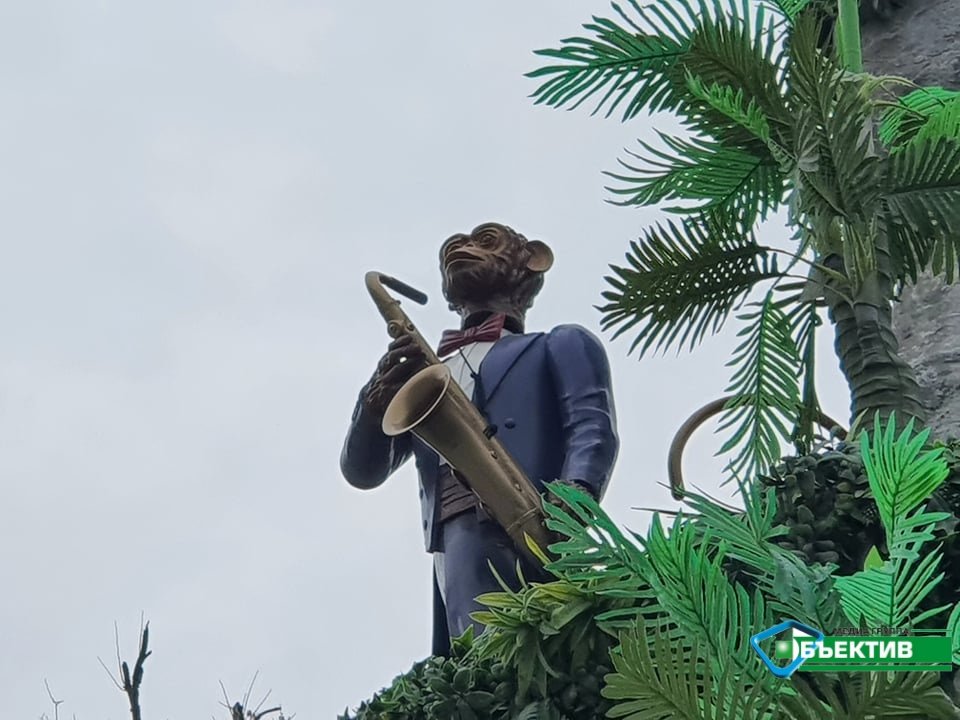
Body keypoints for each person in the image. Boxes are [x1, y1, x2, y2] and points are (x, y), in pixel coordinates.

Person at [340, 222, 618, 656]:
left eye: (485, 242)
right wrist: (374, 402)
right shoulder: (425, 366)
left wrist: (576, 492)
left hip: (536, 516)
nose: (463, 249)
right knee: (477, 653)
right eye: (453, 247)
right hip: (454, 531)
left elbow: (591, 425)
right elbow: (363, 471)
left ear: (532, 260)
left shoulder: (561, 342)